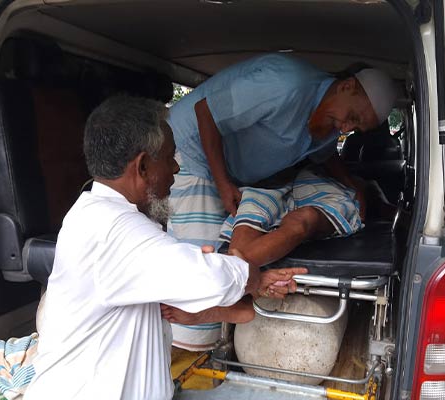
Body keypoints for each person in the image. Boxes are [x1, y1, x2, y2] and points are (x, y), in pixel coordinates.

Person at [25, 96, 306, 400]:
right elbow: (214, 279)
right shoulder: (114, 230)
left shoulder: (93, 213)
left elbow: (193, 295)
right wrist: (247, 270)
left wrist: (254, 284)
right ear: (143, 166)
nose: (175, 167)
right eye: (171, 157)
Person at [166, 53, 397, 349]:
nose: (345, 128)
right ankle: (185, 353)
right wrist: (224, 183)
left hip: (232, 173)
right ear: (347, 86)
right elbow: (206, 111)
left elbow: (325, 155)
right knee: (198, 281)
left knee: (219, 272)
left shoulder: (327, 125)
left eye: (355, 127)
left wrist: (355, 188)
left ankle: (228, 305)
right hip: (190, 155)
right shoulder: (285, 85)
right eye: (352, 116)